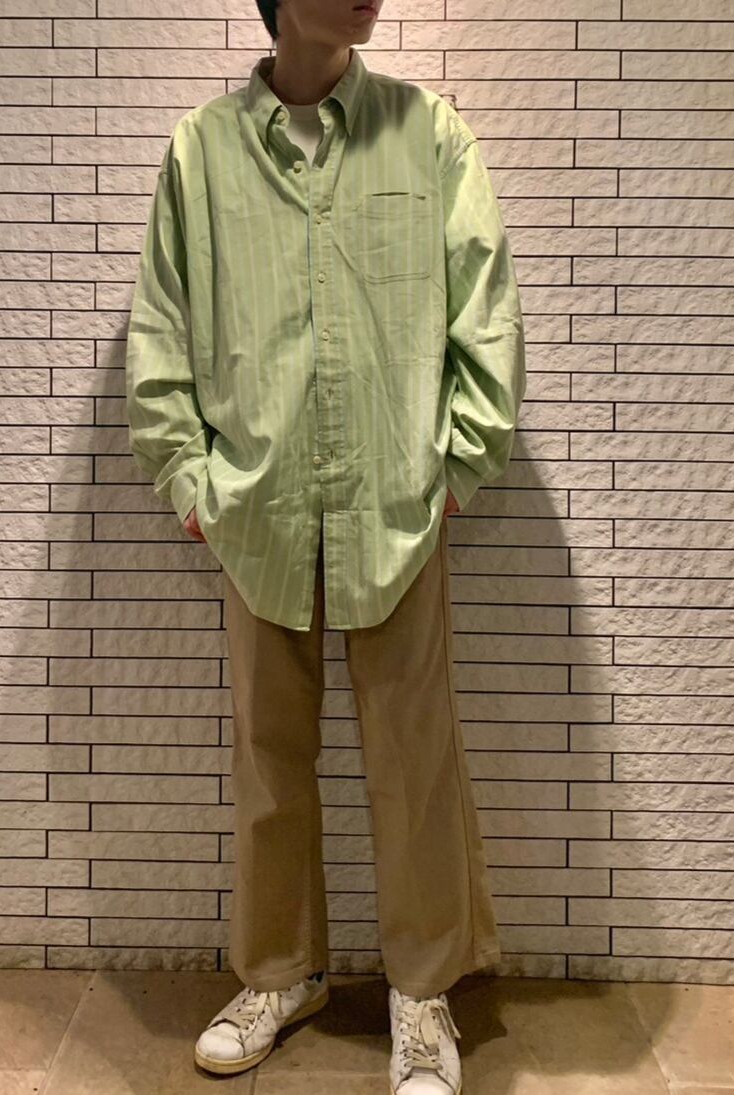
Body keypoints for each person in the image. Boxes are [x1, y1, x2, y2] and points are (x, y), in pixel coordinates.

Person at [125, 1, 525, 1091]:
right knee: (267, 759)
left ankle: (422, 993)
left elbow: (483, 307)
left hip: (394, 509)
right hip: (257, 512)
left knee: (415, 760)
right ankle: (280, 973)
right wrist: (191, 482)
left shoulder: (427, 133)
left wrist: (456, 464)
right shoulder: (202, 152)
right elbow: (161, 323)